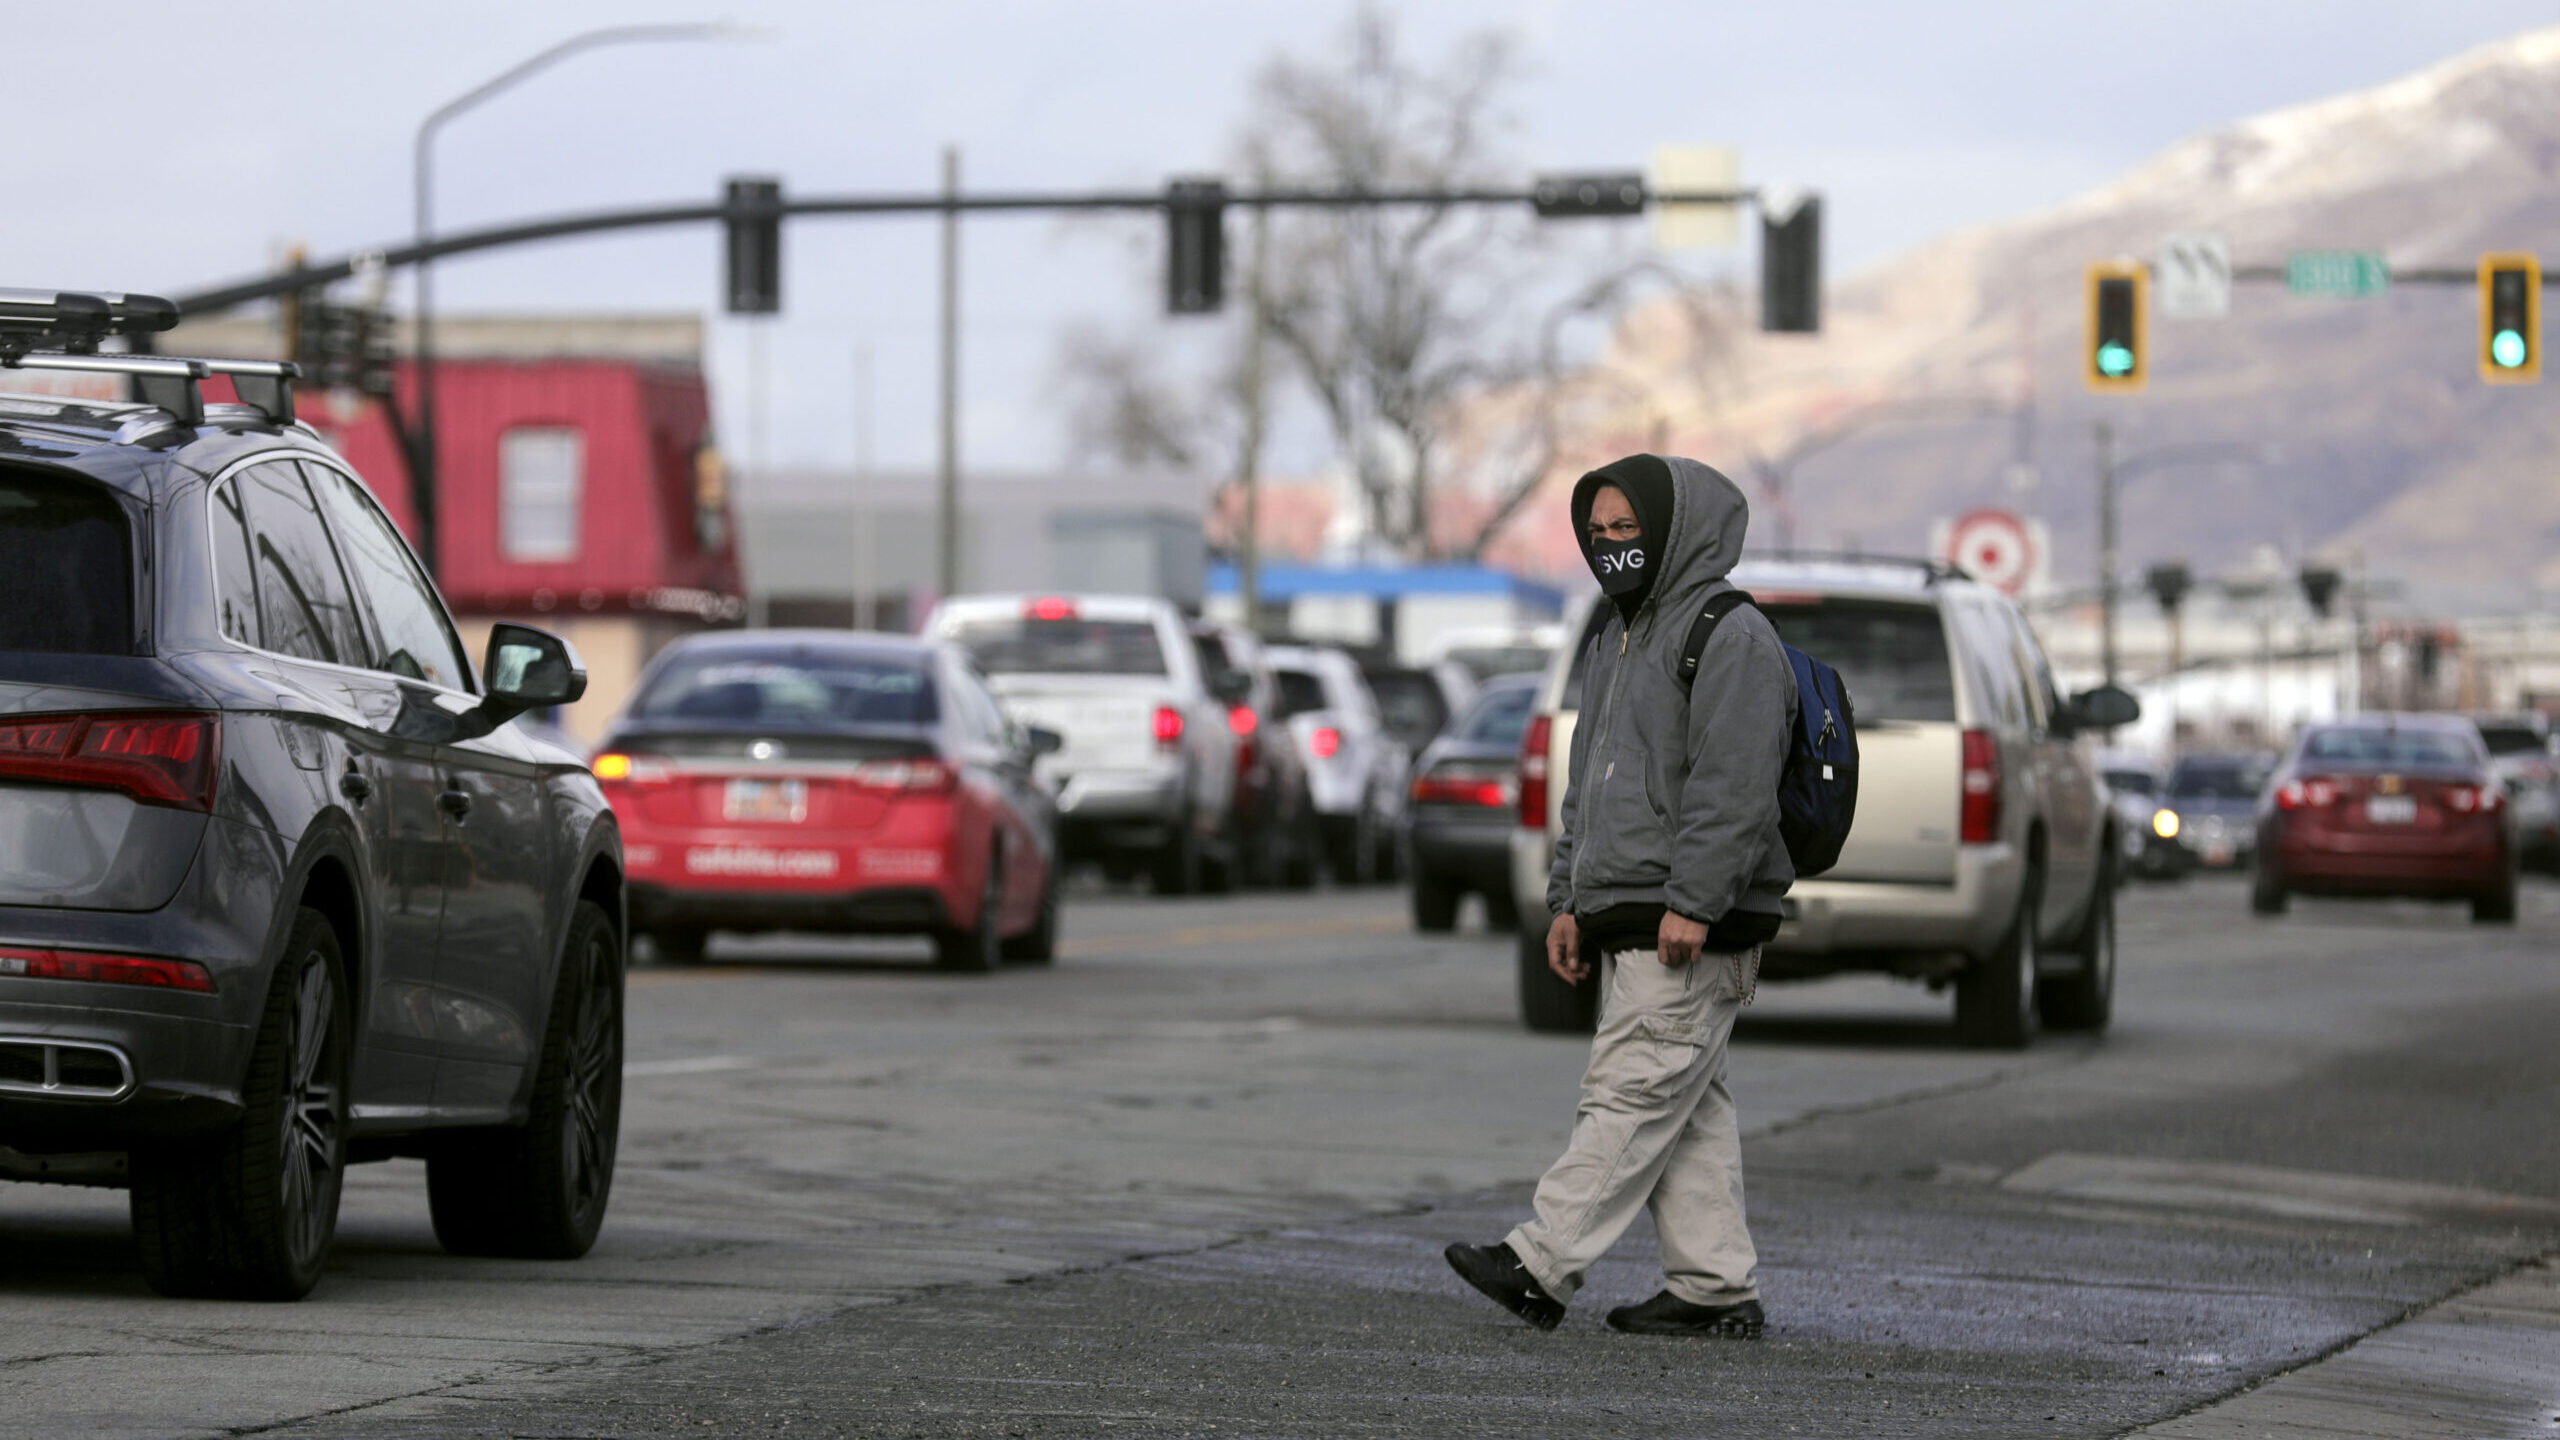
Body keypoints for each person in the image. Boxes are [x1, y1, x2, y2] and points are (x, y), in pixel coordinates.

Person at [1445, 454, 1795, 1337]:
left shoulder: (1729, 634)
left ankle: (1541, 1264)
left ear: (1673, 531)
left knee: (1631, 1091)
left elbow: (1736, 784)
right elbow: (1587, 780)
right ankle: (1715, 1287)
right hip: (1631, 907)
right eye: (1596, 534)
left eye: (1626, 531)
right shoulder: (1617, 633)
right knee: (1684, 1101)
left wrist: (1697, 899)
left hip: (1688, 918)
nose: (1609, 548)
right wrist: (1568, 898)